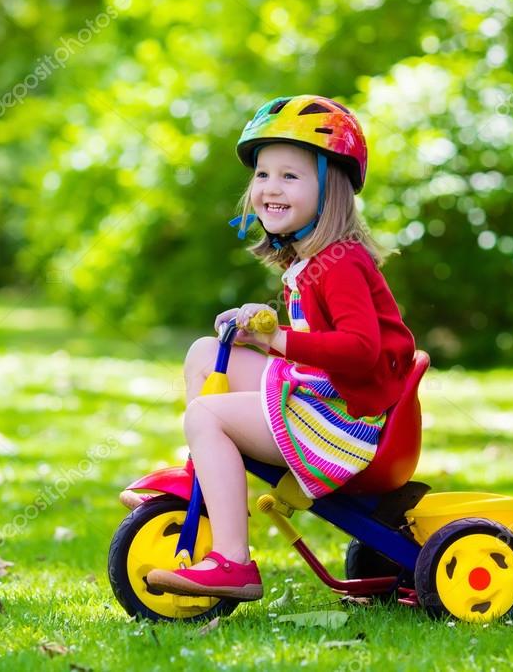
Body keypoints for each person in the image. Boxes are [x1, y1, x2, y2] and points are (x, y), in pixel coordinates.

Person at [145, 95, 416, 602]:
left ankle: (233, 561)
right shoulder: (309, 260)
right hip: (327, 398)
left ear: (330, 189)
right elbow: (312, 344)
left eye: (290, 176)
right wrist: (261, 335)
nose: (270, 187)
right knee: (206, 353)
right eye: (263, 174)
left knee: (206, 416)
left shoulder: (339, 263)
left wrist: (278, 340)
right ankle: (207, 488)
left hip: (345, 423)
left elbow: (360, 350)